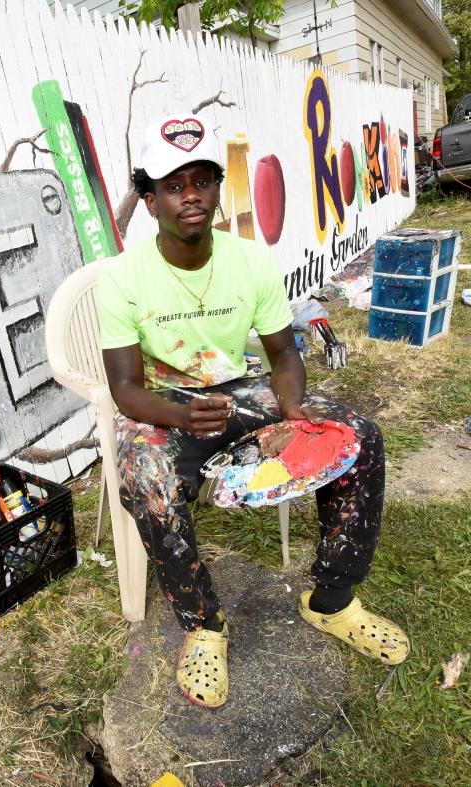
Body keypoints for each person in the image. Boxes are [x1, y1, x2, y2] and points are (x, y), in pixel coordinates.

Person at [96, 114, 409, 708]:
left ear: (217, 189)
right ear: (149, 197)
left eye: (202, 181)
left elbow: (284, 354)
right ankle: (204, 625)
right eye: (172, 184)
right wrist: (182, 418)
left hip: (242, 390)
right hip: (164, 404)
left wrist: (291, 409)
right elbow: (124, 389)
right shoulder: (122, 277)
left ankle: (333, 601)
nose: (190, 196)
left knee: (358, 437)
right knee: (148, 477)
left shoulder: (251, 259)